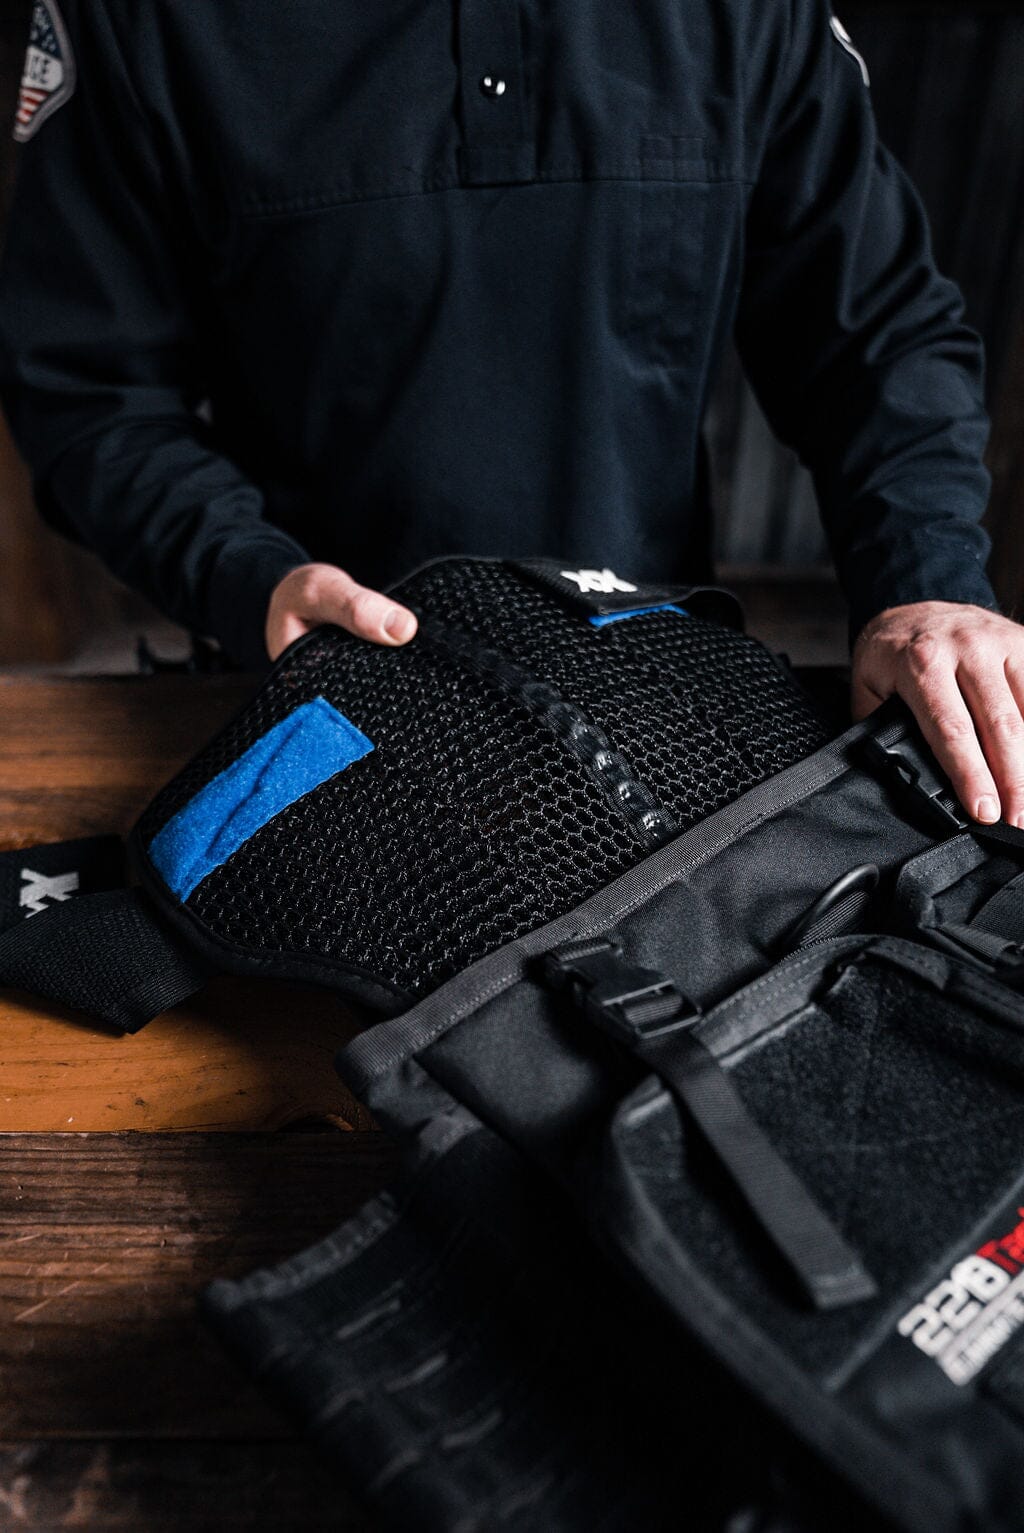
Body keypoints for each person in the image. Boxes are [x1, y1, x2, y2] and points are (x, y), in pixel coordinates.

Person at [0, 0, 1021, 829]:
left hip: (661, 698)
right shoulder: (142, 17)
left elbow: (876, 333)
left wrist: (925, 586)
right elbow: (90, 389)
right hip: (308, 706)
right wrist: (242, 573)